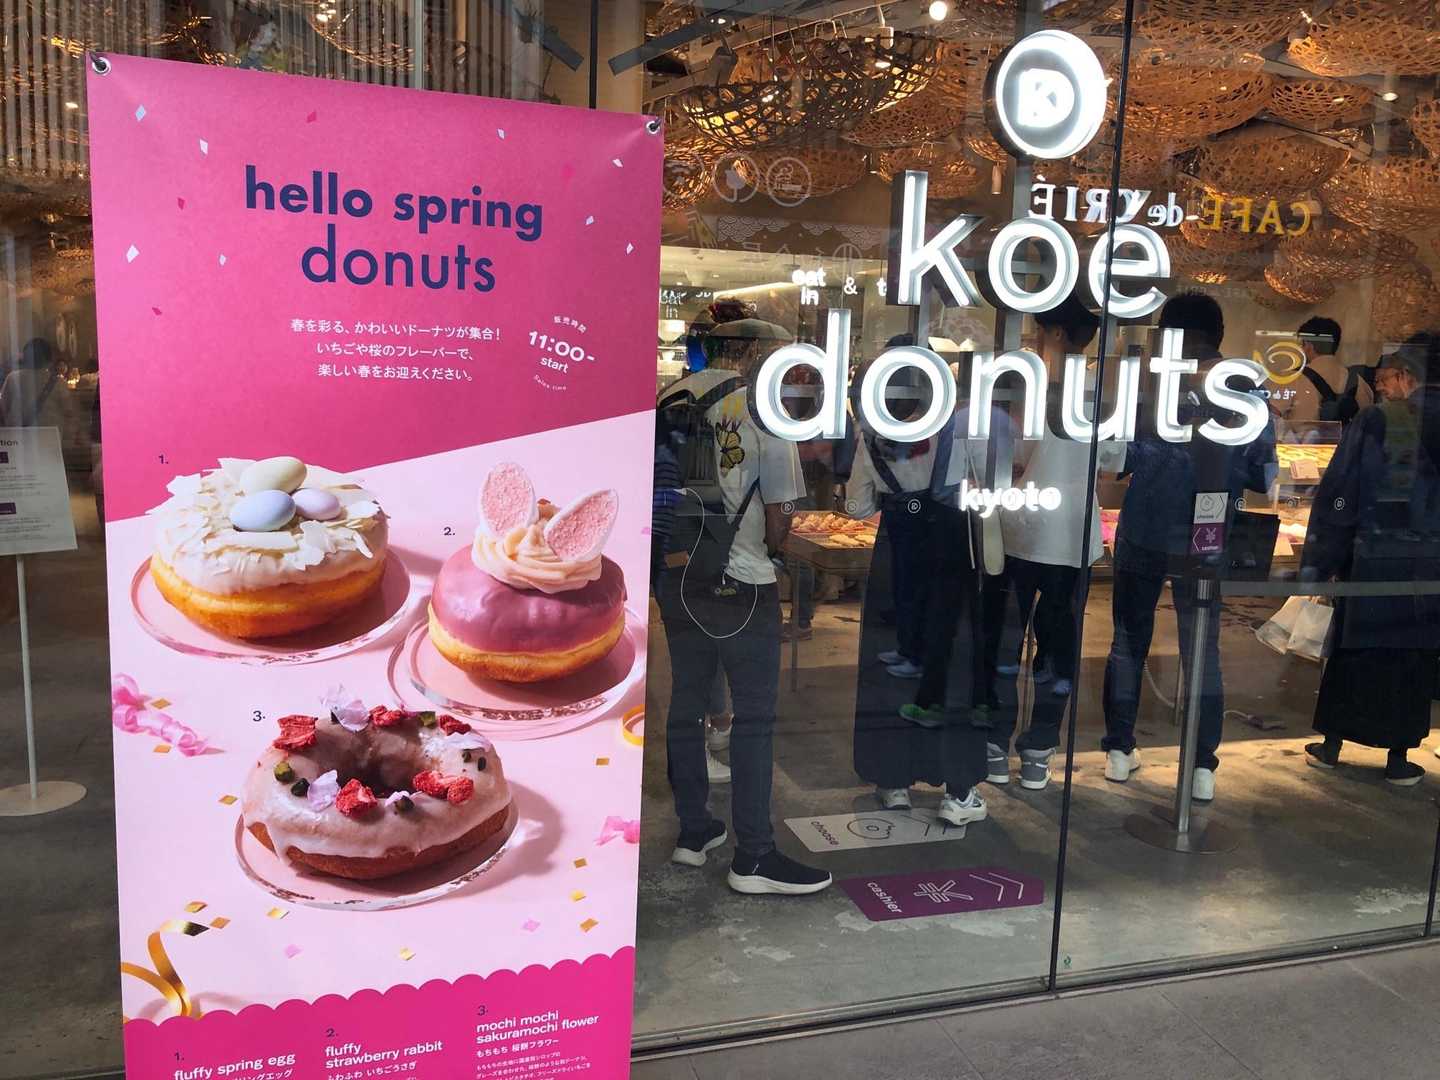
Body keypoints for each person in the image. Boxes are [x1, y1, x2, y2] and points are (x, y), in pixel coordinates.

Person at [655, 315, 831, 896]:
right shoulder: (762, 411)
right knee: (754, 719)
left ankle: (694, 831)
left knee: (686, 706)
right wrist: (773, 547)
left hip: (677, 577)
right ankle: (754, 855)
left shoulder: (669, 398)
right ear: (753, 351)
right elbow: (781, 514)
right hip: (742, 581)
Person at [1100, 293, 1277, 802]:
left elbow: (1121, 458)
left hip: (1145, 526)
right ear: (1219, 334)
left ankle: (1119, 751)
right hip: (1208, 531)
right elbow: (1262, 471)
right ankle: (1201, 765)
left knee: (1128, 641)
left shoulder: (1151, 381)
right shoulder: (1244, 385)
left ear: (1170, 334)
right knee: (1203, 649)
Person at [983, 292, 1125, 792]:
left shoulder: (1030, 389)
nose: (1034, 339)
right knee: (1057, 651)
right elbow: (1113, 464)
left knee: (1003, 644)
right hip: (1073, 539)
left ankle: (994, 744)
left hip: (1021, 531)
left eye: (1040, 330)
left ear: (1057, 334)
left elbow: (1009, 456)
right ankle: (1039, 752)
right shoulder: (1105, 396)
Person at [846, 389, 990, 827]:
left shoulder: (873, 435)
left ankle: (893, 781)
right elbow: (985, 487)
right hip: (951, 551)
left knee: (893, 664)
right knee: (954, 666)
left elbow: (857, 506)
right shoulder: (959, 428)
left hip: (898, 551)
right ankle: (958, 790)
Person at [1303, 334, 1440, 785]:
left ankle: (1332, 746)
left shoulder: (1380, 420)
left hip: (1375, 557)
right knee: (1413, 658)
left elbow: (1342, 492)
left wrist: (1321, 560)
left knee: (1355, 650)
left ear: (1407, 375)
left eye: (1385, 379)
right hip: (1429, 567)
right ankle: (1399, 758)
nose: (1381, 387)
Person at [1275, 317, 1374, 429]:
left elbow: (1273, 414)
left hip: (1301, 440)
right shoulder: (1359, 382)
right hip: (1347, 440)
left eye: (1302, 344)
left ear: (1308, 345)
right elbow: (1368, 421)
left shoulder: (1292, 378)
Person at [0, 338, 65, 429]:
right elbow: (69, 413)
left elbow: (3, 407)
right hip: (49, 434)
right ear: (49, 361)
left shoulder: (13, 378)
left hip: (17, 434)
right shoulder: (58, 382)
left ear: (25, 357)